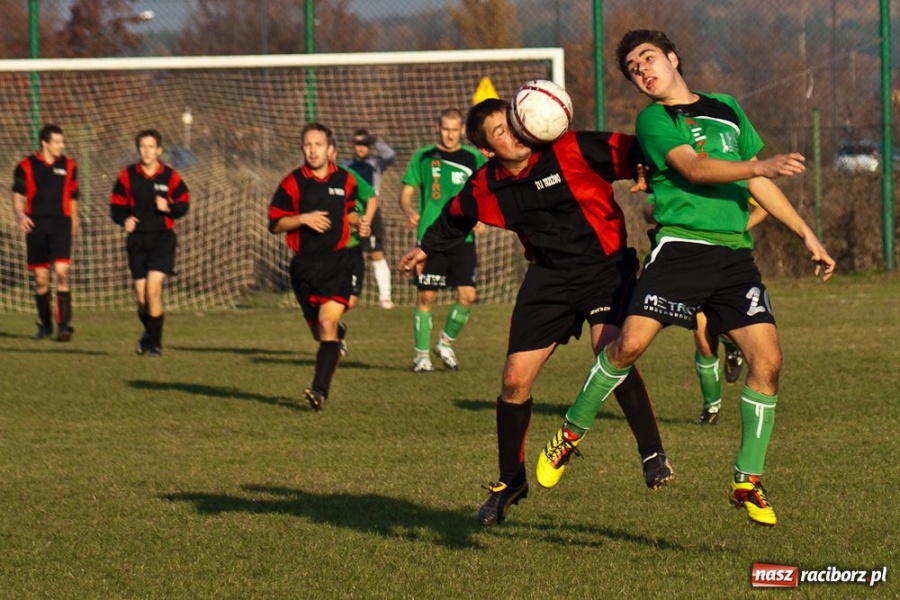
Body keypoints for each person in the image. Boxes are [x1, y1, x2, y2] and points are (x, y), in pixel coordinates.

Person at [536, 29, 836, 527]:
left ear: (673, 58)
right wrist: (757, 163)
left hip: (734, 258)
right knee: (627, 347)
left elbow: (755, 180)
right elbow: (695, 169)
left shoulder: (727, 107)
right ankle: (570, 433)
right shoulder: (655, 119)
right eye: (633, 68)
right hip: (680, 250)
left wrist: (807, 233)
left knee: (769, 360)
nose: (642, 71)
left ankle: (748, 480)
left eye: (648, 58)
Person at [399, 98, 674, 527]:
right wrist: (425, 247)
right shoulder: (486, 184)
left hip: (605, 267)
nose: (513, 132)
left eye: (512, 122)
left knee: (610, 349)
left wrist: (647, 169)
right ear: (487, 150)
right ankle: (511, 482)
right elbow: (455, 215)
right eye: (499, 132)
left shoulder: (568, 148)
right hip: (548, 279)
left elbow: (634, 151)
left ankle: (652, 452)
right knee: (514, 380)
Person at [268, 122, 368, 412]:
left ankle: (319, 391)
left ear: (330, 149)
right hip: (304, 268)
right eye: (308, 145)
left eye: (318, 144)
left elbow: (349, 210)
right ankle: (337, 337)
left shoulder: (346, 180)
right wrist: (303, 218)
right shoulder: (292, 183)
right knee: (320, 333)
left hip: (337, 263)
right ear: (303, 148)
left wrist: (358, 222)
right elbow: (275, 224)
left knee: (327, 325)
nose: (313, 150)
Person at [643, 198, 767, 425]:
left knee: (730, 331)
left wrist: (737, 225)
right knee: (702, 336)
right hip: (689, 262)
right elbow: (649, 210)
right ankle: (712, 406)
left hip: (730, 261)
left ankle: (731, 346)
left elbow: (764, 203)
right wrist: (668, 211)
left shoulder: (730, 169)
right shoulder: (679, 171)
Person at [399, 108, 486, 373]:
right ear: (438, 127)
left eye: (454, 129)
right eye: (445, 128)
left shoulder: (473, 158)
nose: (449, 134)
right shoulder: (423, 156)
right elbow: (406, 192)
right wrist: (409, 210)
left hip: (463, 235)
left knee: (468, 295)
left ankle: (445, 343)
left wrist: (483, 216)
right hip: (431, 238)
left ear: (462, 130)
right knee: (426, 297)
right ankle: (421, 357)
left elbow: (486, 192)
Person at [110, 129, 190, 357]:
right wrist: (123, 219)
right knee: (142, 297)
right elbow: (116, 205)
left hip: (162, 239)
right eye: (142, 147)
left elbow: (184, 202)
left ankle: (155, 346)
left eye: (151, 147)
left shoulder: (170, 176)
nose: (146, 151)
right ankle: (149, 333)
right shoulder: (128, 175)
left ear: (159, 150)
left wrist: (169, 208)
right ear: (138, 150)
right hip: (137, 240)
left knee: (153, 291)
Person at [12, 124, 79, 341]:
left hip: (61, 224)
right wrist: (21, 216)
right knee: (41, 279)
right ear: (45, 143)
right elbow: (18, 196)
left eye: (62, 141)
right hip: (36, 226)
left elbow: (73, 195)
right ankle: (45, 324)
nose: (62, 145)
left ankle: (64, 327)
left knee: (62, 273)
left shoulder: (69, 165)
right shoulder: (25, 166)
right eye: (57, 142)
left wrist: (75, 219)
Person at [343, 129, 396, 309]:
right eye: (358, 144)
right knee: (350, 253)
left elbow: (391, 154)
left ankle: (385, 297)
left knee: (376, 252)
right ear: (353, 146)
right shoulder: (346, 166)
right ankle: (348, 294)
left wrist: (376, 141)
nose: (362, 149)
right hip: (351, 213)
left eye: (365, 145)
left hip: (371, 213)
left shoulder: (375, 163)